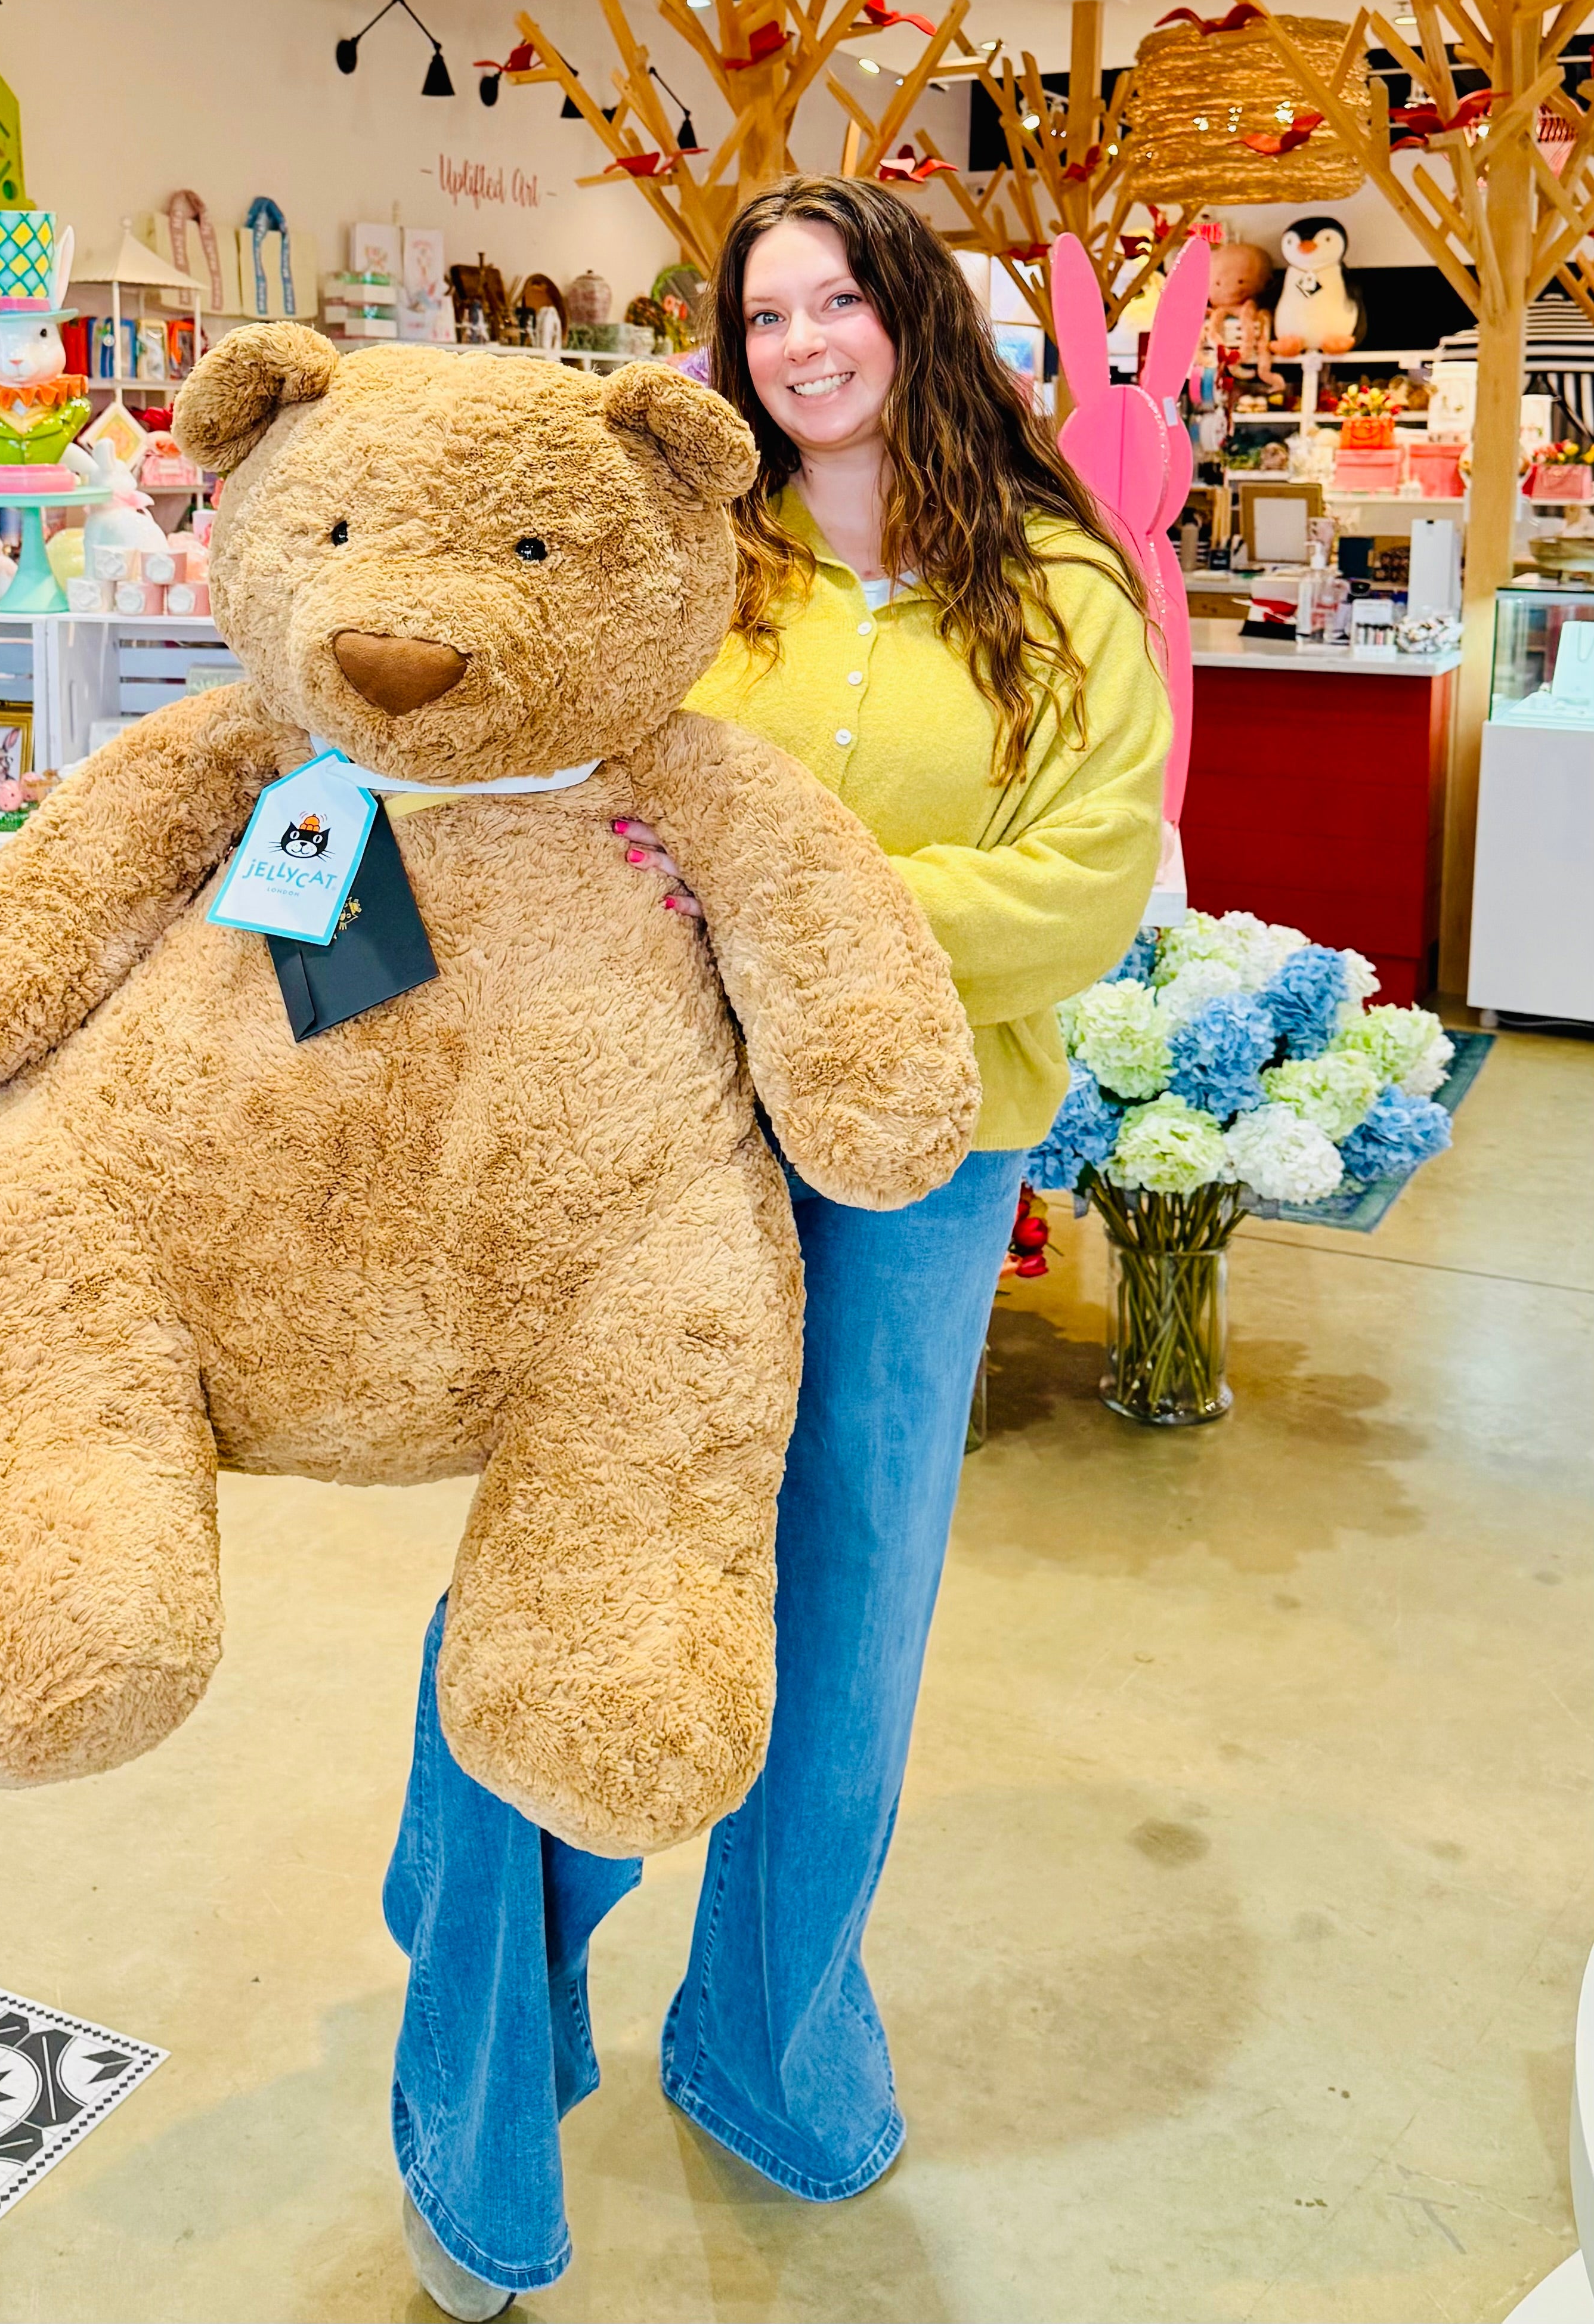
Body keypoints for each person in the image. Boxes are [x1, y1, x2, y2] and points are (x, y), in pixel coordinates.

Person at [386, 174, 1171, 2319]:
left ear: (913, 317)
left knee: (841, 1631)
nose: (804, 340)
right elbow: (539, 778)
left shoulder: (1066, 591)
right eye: (765, 313)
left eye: (840, 299)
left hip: (921, 1179)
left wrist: (800, 907)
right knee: (577, 1585)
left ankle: (764, 2032)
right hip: (662, 1144)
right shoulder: (690, 570)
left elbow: (1088, 878)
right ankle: (476, 2049)